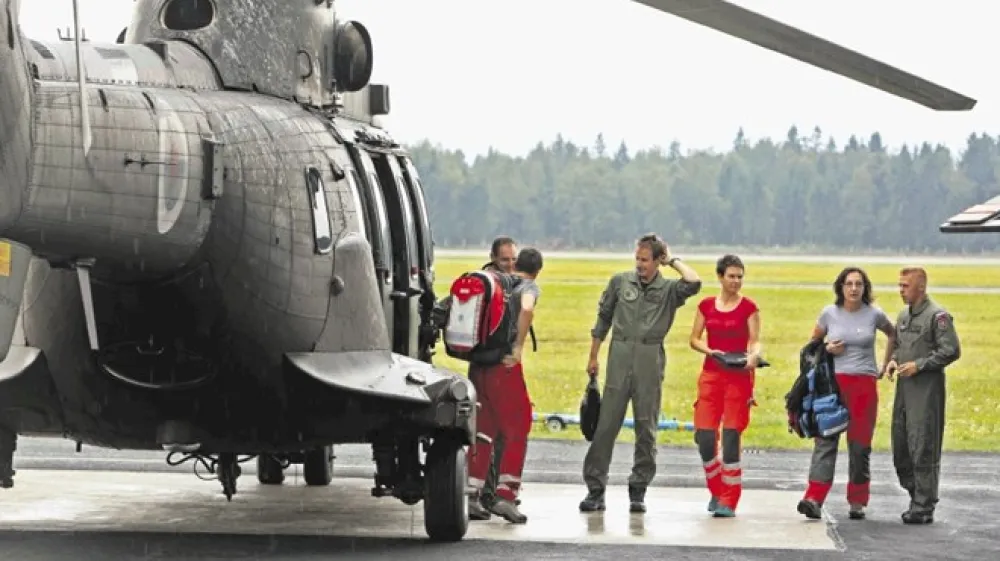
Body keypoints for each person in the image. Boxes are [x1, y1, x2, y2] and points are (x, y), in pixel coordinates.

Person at [580, 233, 702, 513]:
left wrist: (672, 260)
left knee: (646, 427)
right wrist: (593, 355)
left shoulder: (670, 289)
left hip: (650, 357)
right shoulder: (620, 282)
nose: (639, 264)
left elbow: (694, 282)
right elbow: (603, 318)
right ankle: (595, 490)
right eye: (637, 258)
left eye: (645, 260)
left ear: (657, 261)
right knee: (606, 426)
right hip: (620, 354)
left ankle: (638, 489)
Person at [796, 267, 896, 521]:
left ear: (865, 287)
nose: (854, 288)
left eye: (859, 284)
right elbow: (811, 347)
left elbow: (894, 333)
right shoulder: (829, 314)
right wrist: (827, 347)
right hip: (833, 386)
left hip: (864, 386)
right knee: (826, 440)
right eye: (849, 283)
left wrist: (886, 363)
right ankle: (814, 498)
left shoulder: (874, 315)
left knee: (860, 445)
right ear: (841, 287)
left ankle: (858, 500)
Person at [466, 247, 544, 524]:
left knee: (484, 429)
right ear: (537, 270)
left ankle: (471, 493)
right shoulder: (529, 286)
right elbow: (526, 308)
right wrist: (518, 347)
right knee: (518, 425)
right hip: (504, 366)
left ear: (516, 264)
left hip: (479, 365)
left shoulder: (495, 282)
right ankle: (505, 495)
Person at [885, 267, 960, 524]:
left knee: (923, 445)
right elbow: (899, 346)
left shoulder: (937, 317)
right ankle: (916, 493)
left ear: (921, 288)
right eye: (900, 285)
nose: (900, 290)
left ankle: (923, 505)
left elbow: (951, 350)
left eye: (905, 286)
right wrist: (894, 362)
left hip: (926, 392)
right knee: (901, 444)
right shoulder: (903, 315)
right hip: (904, 391)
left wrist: (920, 365)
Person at [687, 254, 760, 518]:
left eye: (740, 276)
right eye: (731, 276)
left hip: (738, 378)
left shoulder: (749, 307)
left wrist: (753, 356)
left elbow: (754, 340)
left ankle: (730, 498)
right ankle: (716, 489)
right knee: (705, 436)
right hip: (711, 375)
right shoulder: (706, 305)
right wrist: (711, 351)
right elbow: (694, 339)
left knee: (730, 436)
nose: (736, 281)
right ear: (720, 277)